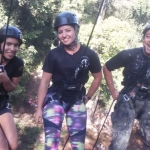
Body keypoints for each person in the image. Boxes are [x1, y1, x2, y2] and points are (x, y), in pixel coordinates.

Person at [35, 11, 102, 150]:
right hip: (55, 98)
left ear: (76, 30)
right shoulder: (54, 54)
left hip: (77, 98)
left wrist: (88, 96)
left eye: (68, 30)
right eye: (60, 32)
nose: (64, 35)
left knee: (78, 145)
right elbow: (45, 82)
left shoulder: (89, 54)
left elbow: (98, 77)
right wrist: (39, 109)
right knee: (51, 143)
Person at [103, 23, 150, 150]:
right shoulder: (129, 54)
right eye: (148, 36)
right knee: (120, 141)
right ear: (143, 38)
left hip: (147, 101)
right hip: (128, 98)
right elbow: (107, 67)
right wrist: (113, 91)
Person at [0, 25, 24, 150]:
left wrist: (5, 80)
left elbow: (12, 87)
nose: (12, 48)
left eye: (16, 45)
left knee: (13, 146)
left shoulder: (18, 63)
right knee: (2, 145)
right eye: (8, 44)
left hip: (2, 102)